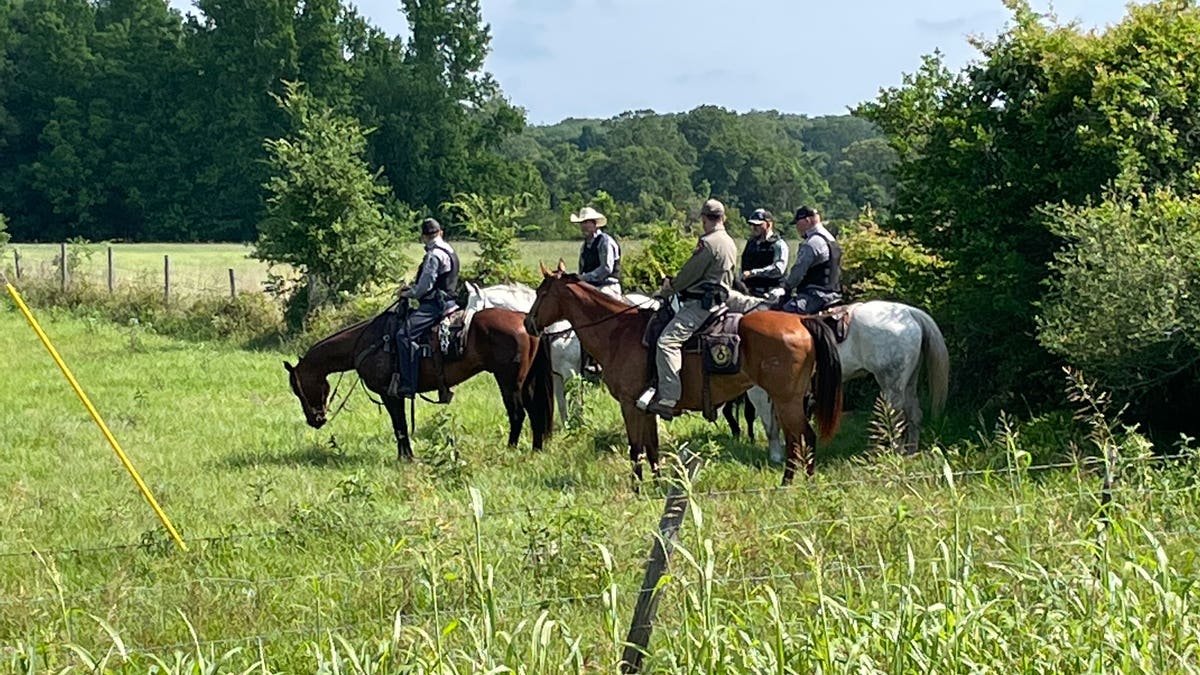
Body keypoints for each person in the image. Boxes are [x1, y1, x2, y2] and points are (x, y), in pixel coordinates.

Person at [638, 198, 738, 420]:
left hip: (700, 305)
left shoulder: (709, 243)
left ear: (704, 219)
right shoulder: (730, 241)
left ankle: (669, 398)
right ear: (724, 218)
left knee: (667, 342)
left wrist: (669, 287)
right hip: (721, 300)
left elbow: (689, 275)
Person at [391, 217, 460, 402]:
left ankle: (408, 383)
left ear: (423, 237)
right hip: (451, 303)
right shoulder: (450, 250)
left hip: (435, 306)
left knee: (403, 335)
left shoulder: (433, 255)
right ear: (441, 233)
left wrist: (408, 293)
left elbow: (425, 286)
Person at [780, 205, 842, 315]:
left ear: (807, 221)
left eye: (797, 223)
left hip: (815, 296)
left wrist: (786, 286)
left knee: (782, 313)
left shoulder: (812, 243)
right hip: (834, 293)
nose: (797, 228)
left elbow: (797, 273)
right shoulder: (831, 239)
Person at [738, 208, 789, 302]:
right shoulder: (751, 243)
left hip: (771, 293)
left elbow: (778, 269)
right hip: (749, 292)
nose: (754, 227)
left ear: (769, 224)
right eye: (752, 225)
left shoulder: (778, 245)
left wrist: (753, 273)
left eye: (758, 225)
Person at [572, 206, 623, 298]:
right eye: (582, 223)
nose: (584, 226)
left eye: (587, 222)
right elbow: (582, 269)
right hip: (590, 286)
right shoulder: (584, 247)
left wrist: (584, 278)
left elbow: (606, 268)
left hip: (608, 286)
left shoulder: (605, 241)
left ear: (594, 224)